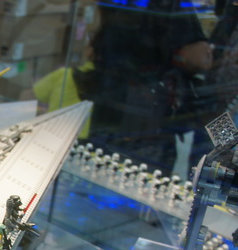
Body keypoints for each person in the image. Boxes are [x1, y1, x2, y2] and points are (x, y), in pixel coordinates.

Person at [74, 2, 213, 171]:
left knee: (99, 166)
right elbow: (199, 58)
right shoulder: (173, 5)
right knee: (143, 173)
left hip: (111, 98)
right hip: (151, 112)